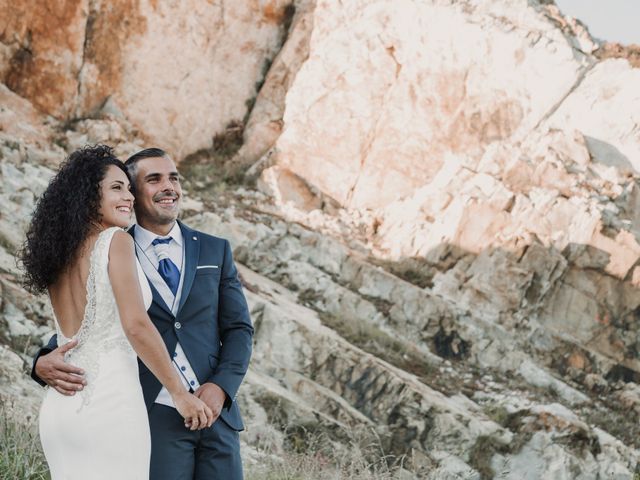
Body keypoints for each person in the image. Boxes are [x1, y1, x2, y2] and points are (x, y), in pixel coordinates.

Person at [31, 147, 253, 480]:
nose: (169, 187)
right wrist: (40, 361)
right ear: (134, 192)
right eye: (154, 179)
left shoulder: (214, 249)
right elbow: (106, 321)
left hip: (216, 417)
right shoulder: (115, 243)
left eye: (174, 178)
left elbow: (239, 329)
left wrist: (221, 387)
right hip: (151, 416)